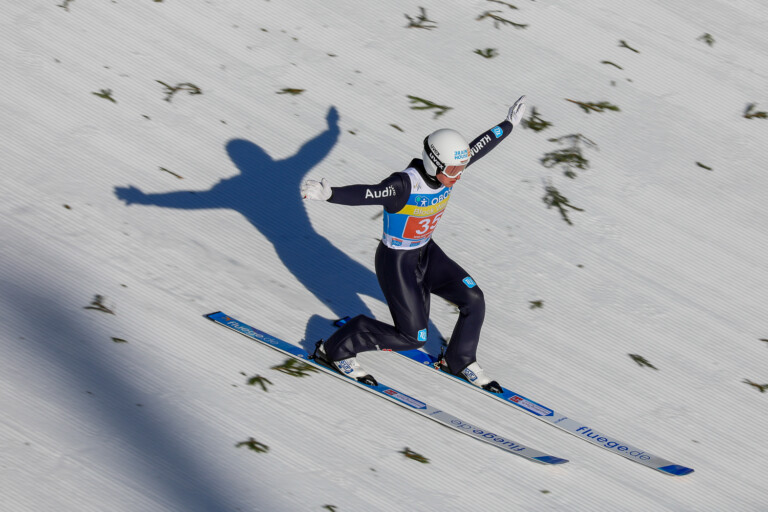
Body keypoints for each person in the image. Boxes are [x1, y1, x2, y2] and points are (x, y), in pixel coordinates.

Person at [301, 96, 527, 392]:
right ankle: (335, 349)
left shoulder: (449, 166)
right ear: (434, 163)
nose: (458, 176)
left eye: (460, 169)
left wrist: (508, 125)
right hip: (397, 262)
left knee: (474, 298)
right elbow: (368, 193)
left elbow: (479, 146)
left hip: (427, 252)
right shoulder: (404, 185)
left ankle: (459, 359)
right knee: (413, 337)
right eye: (453, 171)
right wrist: (329, 194)